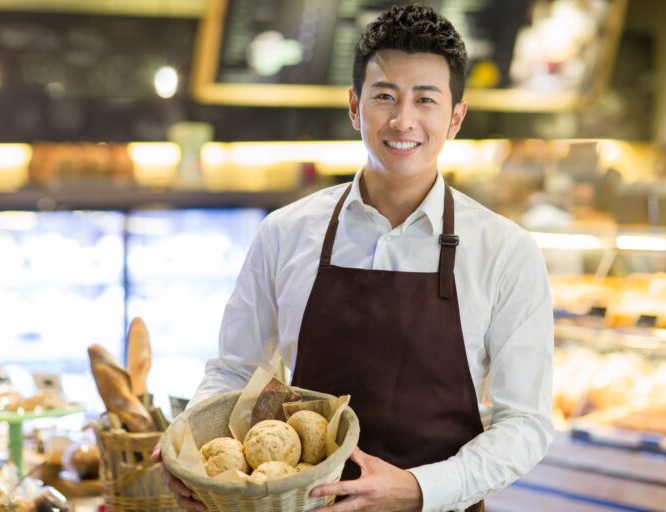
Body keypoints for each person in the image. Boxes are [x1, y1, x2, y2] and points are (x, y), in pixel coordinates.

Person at [153, 3, 553, 511]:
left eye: (425, 100)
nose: (402, 119)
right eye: (384, 96)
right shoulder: (285, 233)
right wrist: (192, 450)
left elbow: (526, 423)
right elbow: (234, 372)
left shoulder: (506, 252)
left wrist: (417, 490)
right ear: (353, 106)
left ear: (455, 117)